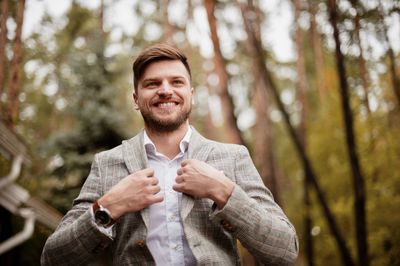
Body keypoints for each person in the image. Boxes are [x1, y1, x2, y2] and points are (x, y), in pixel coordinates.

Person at [41, 43, 298, 266]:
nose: (165, 90)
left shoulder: (233, 157)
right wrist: (109, 207)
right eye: (152, 84)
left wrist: (224, 191)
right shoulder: (107, 164)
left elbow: (285, 251)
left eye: (176, 82)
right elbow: (53, 258)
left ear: (191, 95)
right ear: (135, 98)